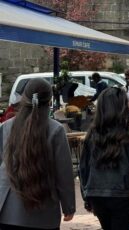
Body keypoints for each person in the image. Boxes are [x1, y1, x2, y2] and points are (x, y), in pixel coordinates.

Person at [0, 78, 75, 229]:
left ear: (24, 98)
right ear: (50, 100)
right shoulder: (56, 130)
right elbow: (64, 173)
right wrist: (69, 206)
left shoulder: (6, 127)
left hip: (7, 209)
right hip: (43, 211)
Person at [79, 87, 129, 228]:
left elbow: (84, 168)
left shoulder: (92, 134)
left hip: (97, 195)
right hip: (122, 195)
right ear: (122, 106)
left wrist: (87, 197)